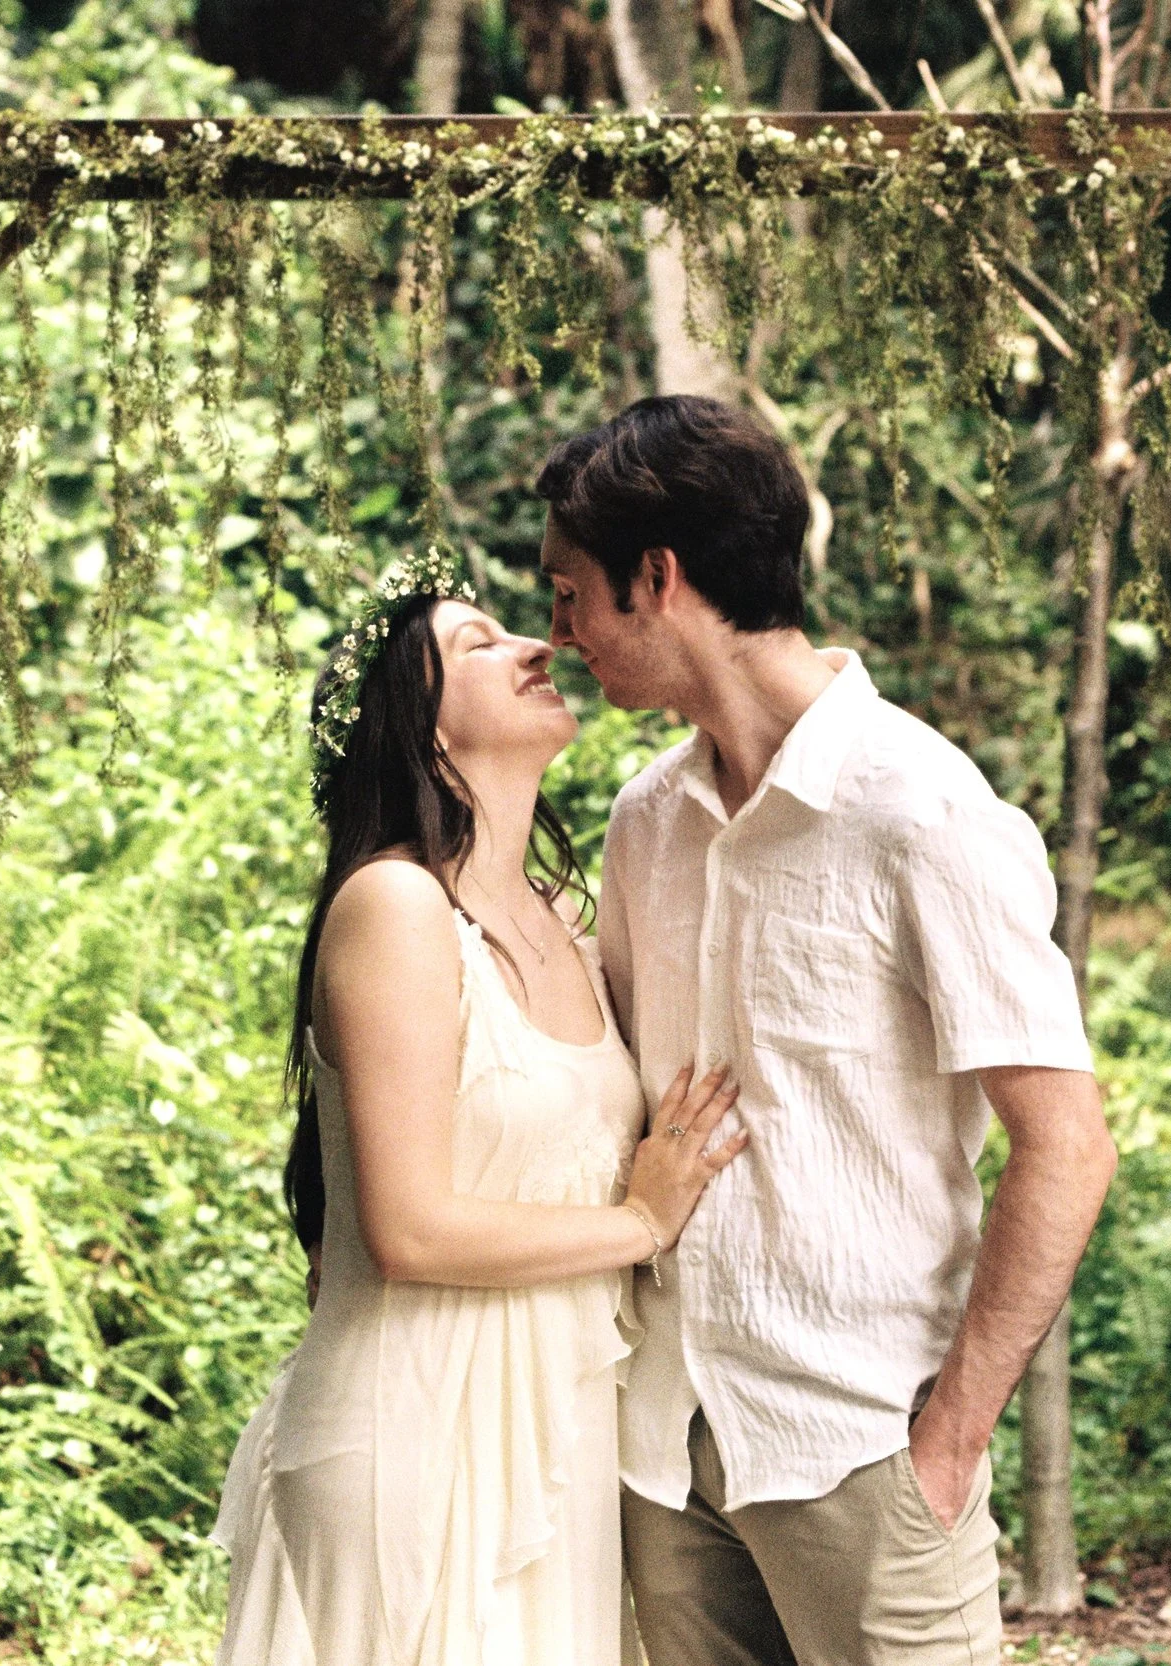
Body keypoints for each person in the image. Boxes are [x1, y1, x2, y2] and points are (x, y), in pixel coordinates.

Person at [536, 395, 1119, 1666]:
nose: (558, 631)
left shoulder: (923, 813)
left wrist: (951, 1440)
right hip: (662, 1443)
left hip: (861, 1439)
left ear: (658, 577)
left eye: (569, 592)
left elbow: (1066, 1146)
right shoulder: (645, 820)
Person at [211, 554, 749, 1666]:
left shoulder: (561, 914)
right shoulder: (395, 906)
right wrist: (641, 1223)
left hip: (551, 1437)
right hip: (413, 1427)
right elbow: (406, 1230)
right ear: (420, 727)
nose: (536, 646)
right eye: (480, 644)